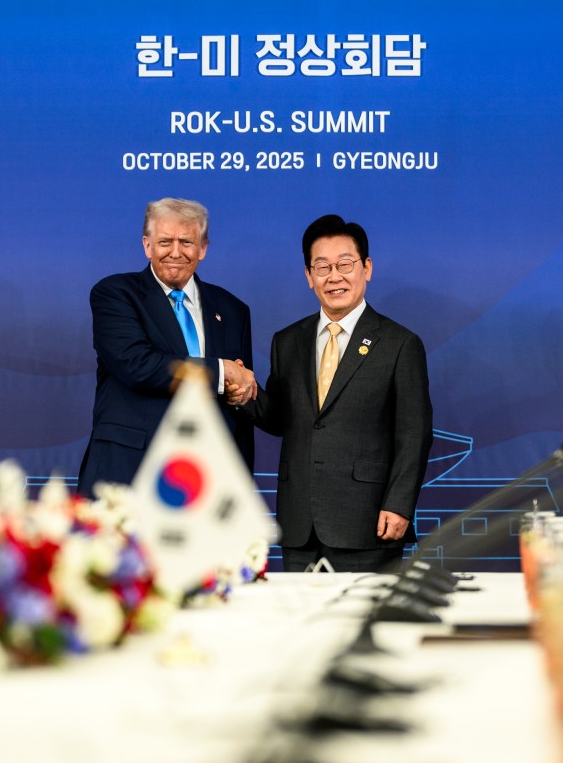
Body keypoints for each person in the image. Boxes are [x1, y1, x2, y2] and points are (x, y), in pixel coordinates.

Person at [240, 214, 433, 572]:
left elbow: (414, 433)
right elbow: (282, 418)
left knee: (366, 626)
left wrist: (400, 504)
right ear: (308, 276)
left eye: (345, 264)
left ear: (367, 268)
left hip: (369, 521)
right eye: (322, 267)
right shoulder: (287, 341)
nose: (334, 277)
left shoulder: (399, 343)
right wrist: (245, 394)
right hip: (300, 524)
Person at [77, 198, 257, 497]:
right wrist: (221, 370)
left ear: (203, 248)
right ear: (147, 245)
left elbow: (240, 397)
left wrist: (241, 394)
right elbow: (137, 365)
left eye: (186, 241)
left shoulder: (233, 309)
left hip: (207, 484)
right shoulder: (115, 294)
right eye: (164, 241)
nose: (175, 252)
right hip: (129, 478)